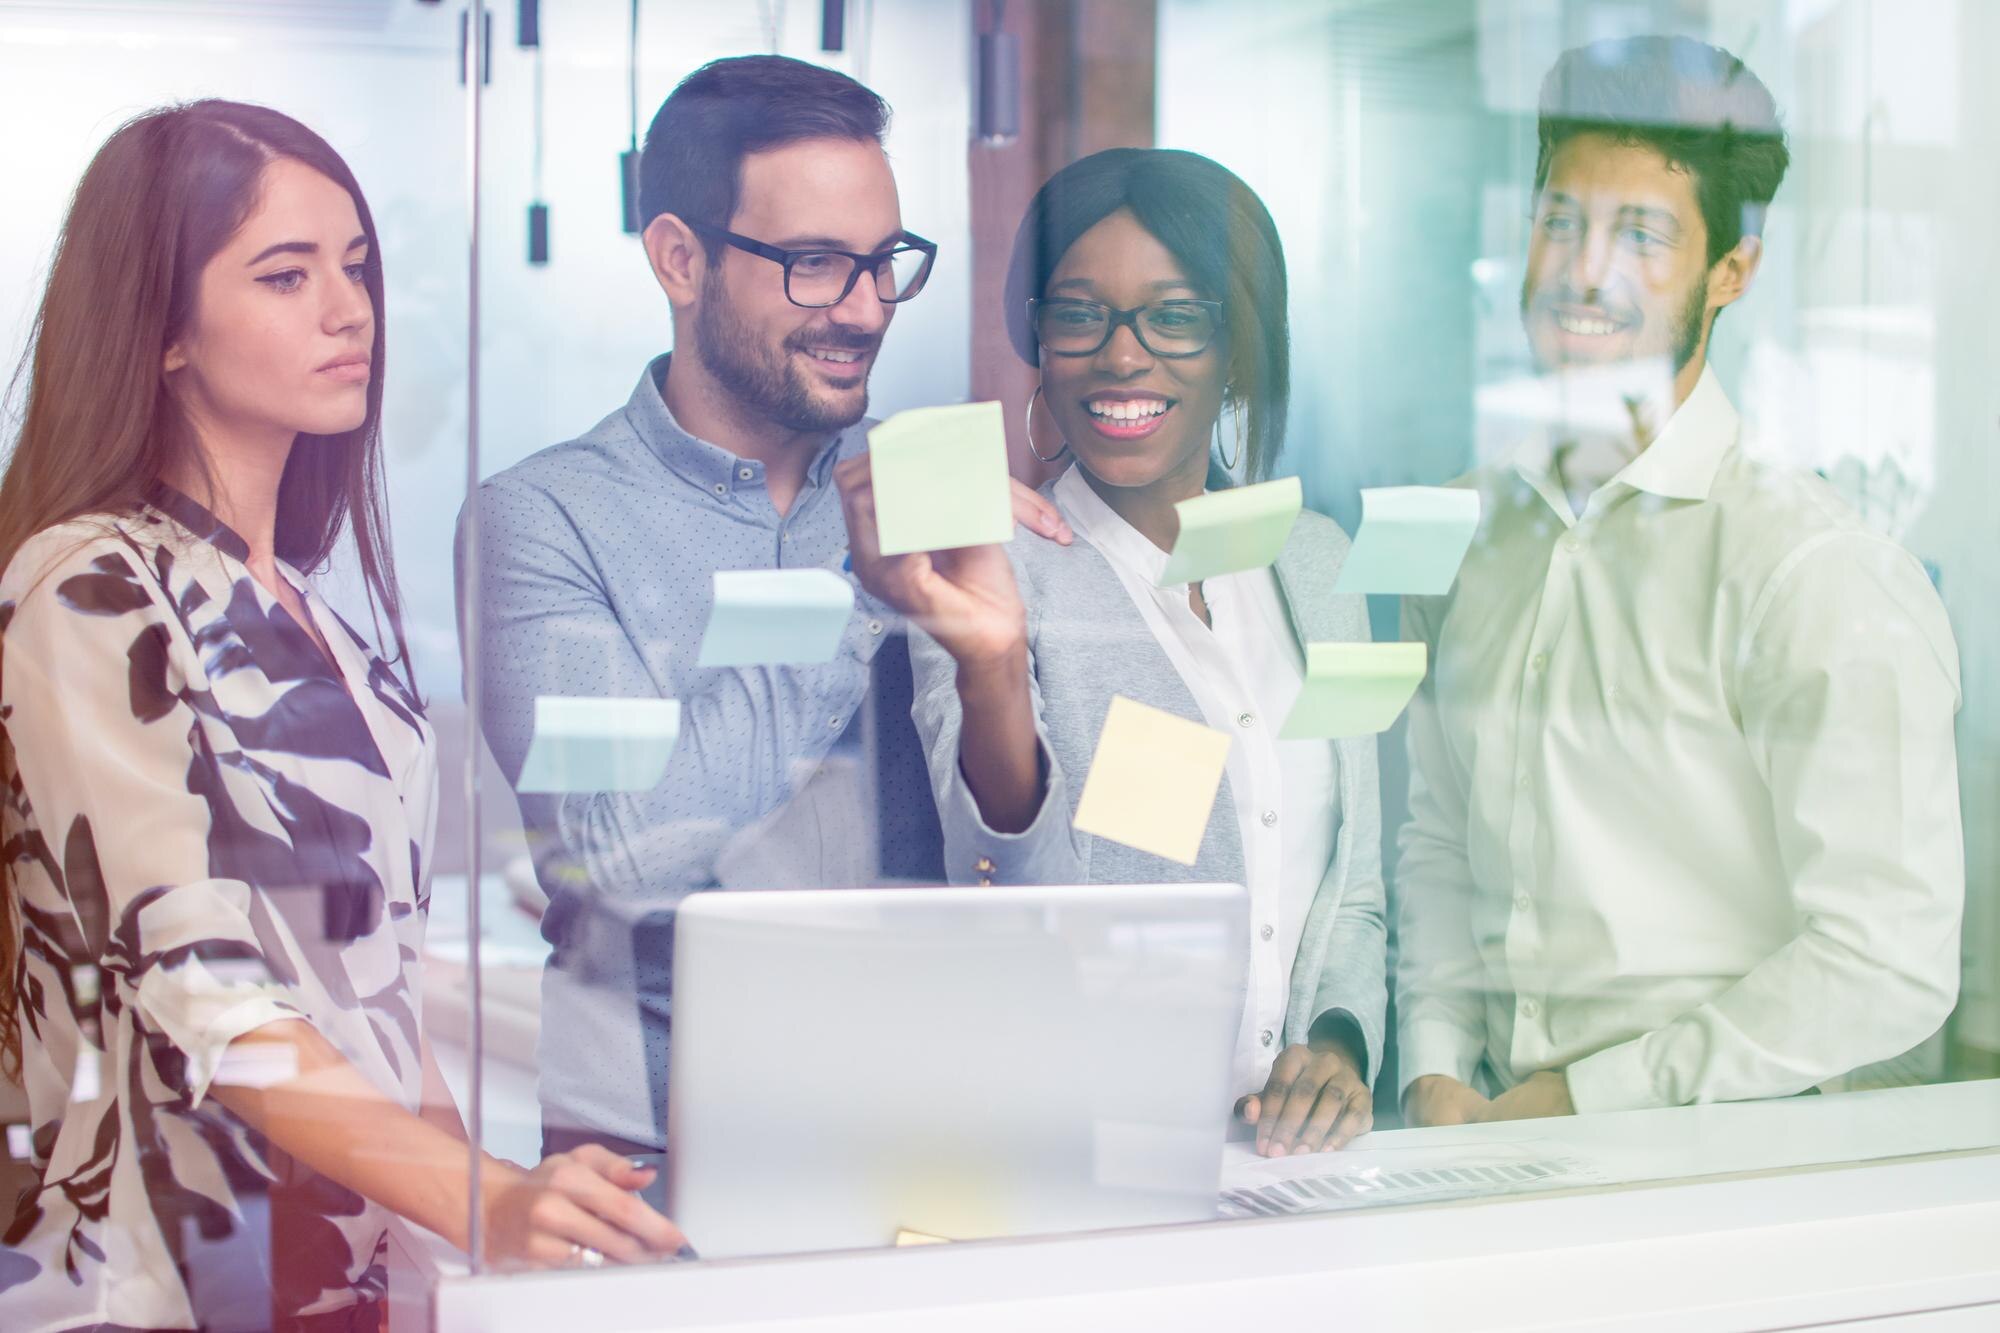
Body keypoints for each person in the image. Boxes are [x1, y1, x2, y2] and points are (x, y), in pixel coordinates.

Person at [0, 102, 682, 1331]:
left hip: (347, 1273)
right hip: (153, 1275)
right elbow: (202, 989)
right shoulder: (87, 583)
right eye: (285, 274)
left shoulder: (332, 631)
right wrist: (477, 1194)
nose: (348, 308)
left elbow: (374, 997)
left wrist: (479, 1229)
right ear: (162, 330)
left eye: (356, 267)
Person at [459, 55, 1073, 1159]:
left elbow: (1027, 882)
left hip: (936, 1149)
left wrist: (993, 659)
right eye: (813, 265)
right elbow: (622, 858)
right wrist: (860, 596)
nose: (864, 309)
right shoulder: (541, 520)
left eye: (884, 263)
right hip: (646, 1176)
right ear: (678, 258)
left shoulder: (939, 504)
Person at [1395, 36, 1964, 1127]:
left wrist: (1581, 1100)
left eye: (1640, 234)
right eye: (1558, 220)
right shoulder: (1466, 526)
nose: (1581, 269)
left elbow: (1886, 955)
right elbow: (1436, 835)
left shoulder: (1814, 572)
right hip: (1473, 1147)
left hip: (1711, 1180)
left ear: (1731, 273)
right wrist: (1434, 1066)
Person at [838, 148, 1387, 1157]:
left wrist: (1340, 1048)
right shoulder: (990, 570)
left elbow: (1358, 883)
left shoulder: (1317, 562)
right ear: (1039, 340)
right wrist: (993, 663)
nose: (1120, 355)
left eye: (1174, 316)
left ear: (1238, 350)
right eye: (1079, 313)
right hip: (1080, 1161)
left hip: (1302, 1174)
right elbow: (1008, 896)